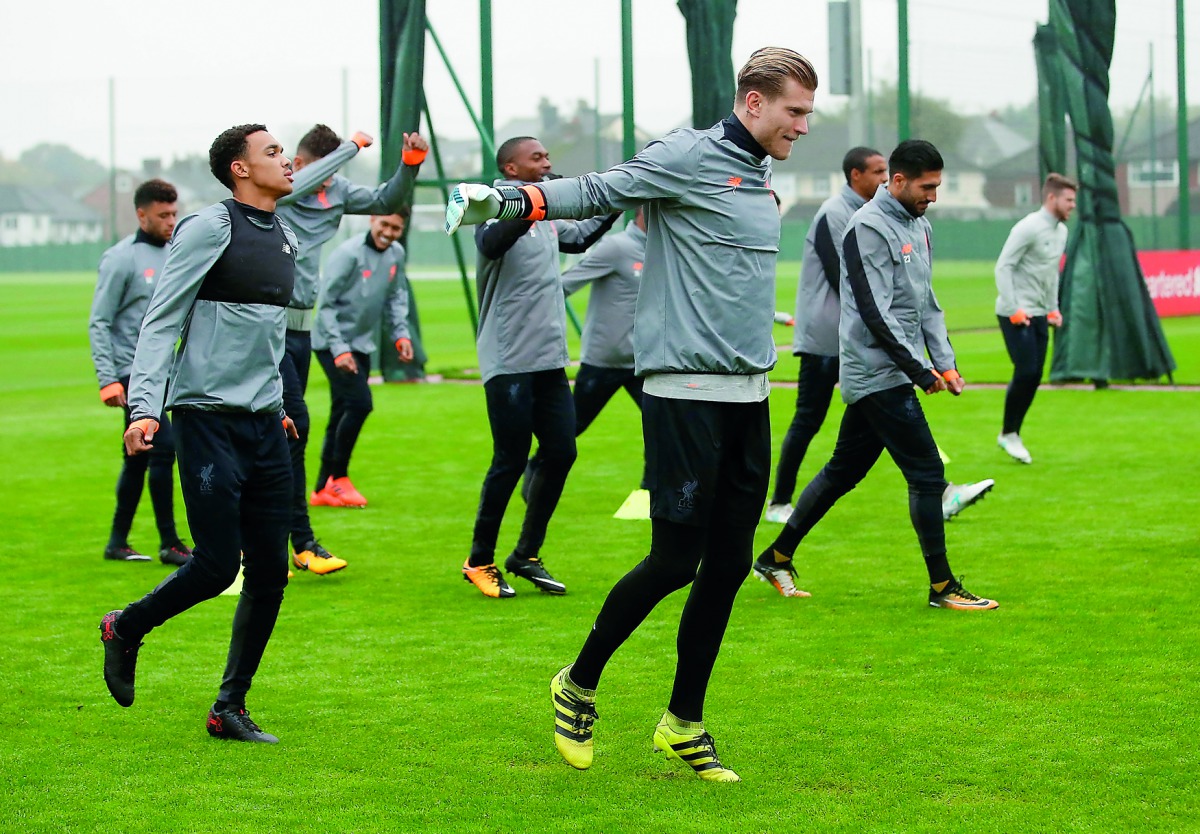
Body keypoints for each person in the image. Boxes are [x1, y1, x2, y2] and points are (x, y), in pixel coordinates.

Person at [446, 45, 818, 781]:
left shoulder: (758, 173)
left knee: (729, 564)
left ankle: (684, 722)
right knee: (676, 559)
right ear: (753, 102)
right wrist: (511, 200)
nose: (803, 126)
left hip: (750, 395)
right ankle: (577, 682)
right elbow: (597, 189)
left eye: (807, 113)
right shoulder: (687, 155)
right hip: (684, 394)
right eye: (794, 111)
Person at [99, 123, 300, 743]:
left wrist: (276, 403)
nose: (286, 160)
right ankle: (125, 627)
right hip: (206, 419)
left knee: (270, 573)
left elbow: (267, 336)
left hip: (264, 424)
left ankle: (228, 708)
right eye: (272, 152)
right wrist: (144, 408)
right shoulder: (210, 227)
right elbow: (161, 321)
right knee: (215, 567)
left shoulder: (286, 235)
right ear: (240, 168)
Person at [753, 139, 999, 613]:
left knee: (843, 471)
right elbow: (873, 311)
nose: (933, 197)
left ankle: (775, 557)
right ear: (899, 181)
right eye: (927, 187)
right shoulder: (865, 226)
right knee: (927, 474)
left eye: (938, 187)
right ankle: (943, 587)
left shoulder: (919, 226)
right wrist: (919, 370)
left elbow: (927, 303)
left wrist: (945, 361)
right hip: (875, 371)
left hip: (895, 370)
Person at [460, 136, 618, 600]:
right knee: (509, 460)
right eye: (537, 158)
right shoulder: (491, 205)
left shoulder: (545, 213)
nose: (548, 163)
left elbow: (581, 238)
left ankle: (525, 554)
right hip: (509, 359)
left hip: (549, 359)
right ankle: (479, 560)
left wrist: (619, 199)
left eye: (547, 157)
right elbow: (491, 243)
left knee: (562, 451)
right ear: (511, 169)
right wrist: (531, 204)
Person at [273, 125, 427, 574]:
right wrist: (349, 148)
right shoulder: (281, 190)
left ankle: (283, 542)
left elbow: (384, 199)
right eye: (322, 172)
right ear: (298, 165)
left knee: (284, 431)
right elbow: (299, 185)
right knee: (291, 426)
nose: (329, 182)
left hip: (301, 330)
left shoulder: (336, 190)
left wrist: (409, 166)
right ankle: (295, 542)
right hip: (267, 327)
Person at [88, 179, 192, 566]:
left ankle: (117, 542)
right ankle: (170, 542)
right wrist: (108, 379)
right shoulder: (120, 259)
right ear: (141, 214)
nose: (171, 221)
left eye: (174, 214)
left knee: (136, 458)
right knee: (162, 448)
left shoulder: (178, 254)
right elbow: (100, 322)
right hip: (132, 372)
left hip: (169, 373)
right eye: (163, 215)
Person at [525, 205, 649, 504]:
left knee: (663, 428)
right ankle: (535, 472)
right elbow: (565, 285)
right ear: (642, 212)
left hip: (644, 363)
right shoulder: (616, 248)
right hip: (603, 361)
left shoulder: (663, 250)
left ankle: (648, 495)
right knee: (571, 428)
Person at [311, 211, 414, 505]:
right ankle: (339, 478)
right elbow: (326, 306)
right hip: (331, 343)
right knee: (360, 404)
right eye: (385, 224)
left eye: (396, 228)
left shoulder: (396, 254)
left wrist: (401, 335)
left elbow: (396, 296)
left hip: (361, 345)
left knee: (341, 411)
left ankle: (321, 489)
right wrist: (339, 350)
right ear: (372, 220)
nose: (389, 232)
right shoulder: (348, 254)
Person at [995, 173, 1076, 464]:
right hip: (1016, 312)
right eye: (1069, 200)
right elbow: (1003, 267)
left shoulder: (1061, 232)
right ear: (1052, 198)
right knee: (1026, 371)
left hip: (1040, 313)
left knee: (1034, 376)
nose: (1073, 205)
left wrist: (1053, 308)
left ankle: (1011, 433)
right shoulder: (1027, 227)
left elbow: (1051, 273)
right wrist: (1013, 308)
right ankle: (1009, 434)